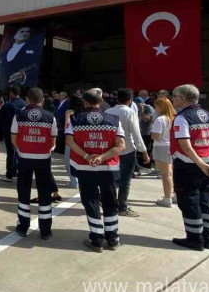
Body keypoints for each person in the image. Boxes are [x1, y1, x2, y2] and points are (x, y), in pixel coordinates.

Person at [66, 88, 126, 252]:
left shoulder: (75, 119)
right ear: (100, 102)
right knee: (110, 201)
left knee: (91, 202)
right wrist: (102, 157)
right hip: (108, 167)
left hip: (84, 168)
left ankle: (97, 240)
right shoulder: (114, 119)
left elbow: (70, 142)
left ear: (84, 102)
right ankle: (113, 239)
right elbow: (121, 145)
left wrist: (87, 156)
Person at [170, 84, 209, 251]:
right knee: (206, 200)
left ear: (183, 98)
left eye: (175, 96)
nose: (173, 99)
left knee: (189, 200)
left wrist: (201, 165)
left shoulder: (183, 117)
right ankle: (207, 236)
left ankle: (194, 238)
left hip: (188, 165)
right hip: (207, 165)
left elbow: (185, 145)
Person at [10, 88, 59, 240]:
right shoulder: (50, 116)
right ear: (42, 101)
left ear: (27, 100)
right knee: (44, 193)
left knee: (23, 192)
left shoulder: (19, 115)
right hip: (43, 159)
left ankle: (23, 227)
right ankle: (45, 230)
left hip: (24, 158)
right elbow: (53, 141)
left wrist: (22, 149)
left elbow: (13, 138)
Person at [105, 88, 149, 217]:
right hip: (128, 150)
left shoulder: (108, 111)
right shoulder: (129, 112)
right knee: (125, 181)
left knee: (111, 179)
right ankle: (122, 207)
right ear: (130, 100)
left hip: (112, 150)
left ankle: (109, 203)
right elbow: (136, 134)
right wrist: (144, 151)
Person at [151, 98, 176, 207]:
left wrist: (152, 135)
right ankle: (173, 195)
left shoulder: (160, 119)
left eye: (156, 106)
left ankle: (167, 198)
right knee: (171, 173)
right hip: (172, 146)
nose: (155, 108)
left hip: (161, 147)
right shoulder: (174, 118)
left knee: (165, 175)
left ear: (161, 107)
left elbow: (157, 136)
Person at [0, 86, 26, 182]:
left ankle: (9, 174)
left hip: (10, 131)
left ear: (11, 93)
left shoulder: (8, 105)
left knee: (11, 153)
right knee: (19, 153)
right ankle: (16, 172)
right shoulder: (24, 103)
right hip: (22, 132)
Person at [63, 95, 85, 189]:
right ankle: (79, 181)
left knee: (68, 161)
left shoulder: (69, 112)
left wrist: (67, 116)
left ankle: (74, 182)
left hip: (71, 140)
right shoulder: (84, 113)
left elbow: (66, 127)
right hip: (82, 140)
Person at [135, 97, 155, 170]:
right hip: (139, 132)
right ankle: (140, 166)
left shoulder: (148, 108)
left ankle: (147, 167)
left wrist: (141, 110)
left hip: (147, 133)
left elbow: (146, 119)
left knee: (146, 149)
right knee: (139, 151)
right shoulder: (135, 109)